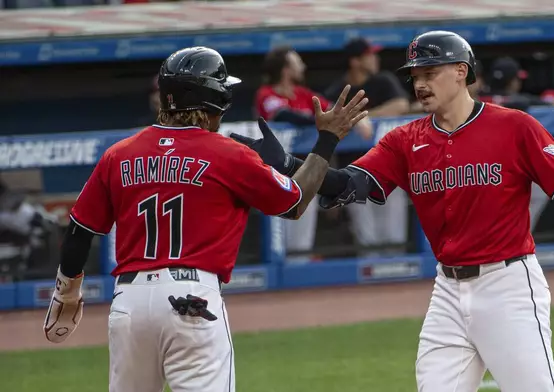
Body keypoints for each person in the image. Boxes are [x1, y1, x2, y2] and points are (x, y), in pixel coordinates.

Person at [232, 31, 554, 392]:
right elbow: (348, 184)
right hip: (447, 291)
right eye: (415, 75)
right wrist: (286, 163)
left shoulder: (514, 126)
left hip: (508, 286)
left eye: (430, 73)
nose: (419, 84)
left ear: (461, 72)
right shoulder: (404, 140)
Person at [42, 46, 368, 392]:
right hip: (192, 299)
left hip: (129, 305)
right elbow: (295, 203)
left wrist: (67, 293)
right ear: (214, 100)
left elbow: (80, 230)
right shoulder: (228, 154)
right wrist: (328, 139)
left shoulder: (119, 154)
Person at [255, 46, 372, 260]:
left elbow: (336, 110)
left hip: (303, 170)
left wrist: (359, 118)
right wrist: (318, 122)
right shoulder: (266, 94)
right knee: (280, 236)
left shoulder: (303, 94)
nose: (304, 66)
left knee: (301, 235)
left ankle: (296, 277)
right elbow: (282, 115)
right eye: (297, 62)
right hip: (274, 174)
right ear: (285, 70)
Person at [324, 37, 410, 254]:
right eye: (369, 55)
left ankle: (397, 281)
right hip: (354, 174)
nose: (375, 58)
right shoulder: (337, 90)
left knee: (394, 238)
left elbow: (401, 104)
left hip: (388, 171)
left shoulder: (383, 81)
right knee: (368, 242)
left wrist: (363, 116)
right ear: (355, 61)